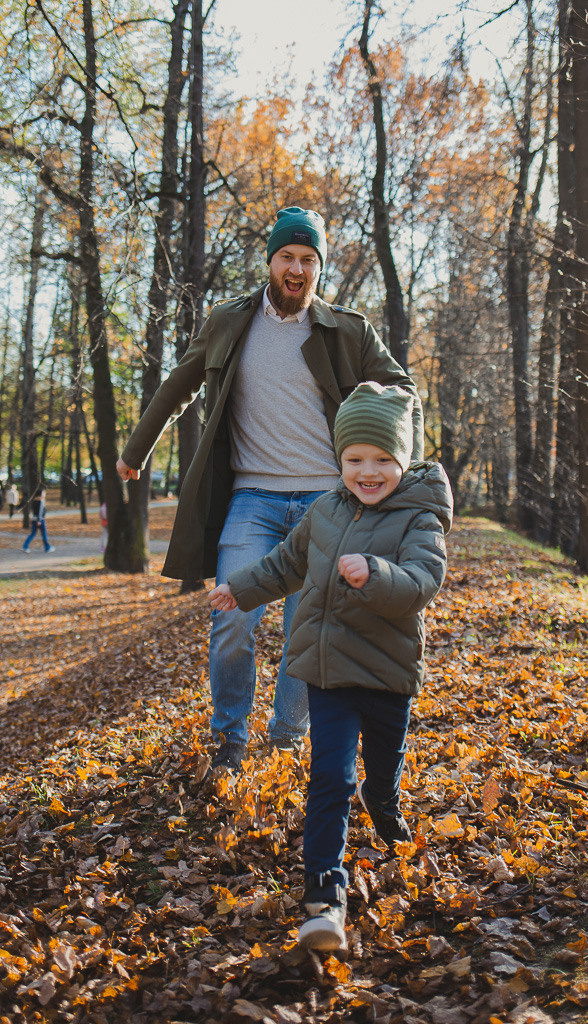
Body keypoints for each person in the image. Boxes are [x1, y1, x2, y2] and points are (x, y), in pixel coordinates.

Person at [116, 206, 423, 773]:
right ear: (270, 261)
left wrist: (395, 465)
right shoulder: (230, 323)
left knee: (305, 631)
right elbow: (177, 386)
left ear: (319, 268)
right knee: (232, 618)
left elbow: (404, 389)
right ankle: (230, 739)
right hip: (251, 500)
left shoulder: (347, 332)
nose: (298, 269)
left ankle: (284, 738)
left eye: (309, 260)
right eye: (288, 256)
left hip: (326, 506)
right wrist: (136, 451)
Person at [209, 382, 453, 951]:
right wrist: (239, 589)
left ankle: (385, 800)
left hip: (388, 674)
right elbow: (284, 564)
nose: (368, 472)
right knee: (330, 777)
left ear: (404, 459)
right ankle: (323, 894)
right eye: (354, 459)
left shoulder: (419, 518)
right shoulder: (324, 511)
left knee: (381, 768)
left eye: (382, 460)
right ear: (339, 460)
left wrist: (374, 571)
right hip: (328, 671)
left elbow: (422, 581)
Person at [22, 487, 54, 553]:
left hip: (34, 519)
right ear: (41, 494)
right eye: (44, 493)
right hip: (40, 520)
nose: (45, 494)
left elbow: (35, 511)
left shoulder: (34, 501)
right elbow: (39, 512)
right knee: (44, 534)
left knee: (33, 533)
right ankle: (47, 548)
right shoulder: (41, 501)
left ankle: (25, 546)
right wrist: (39, 520)